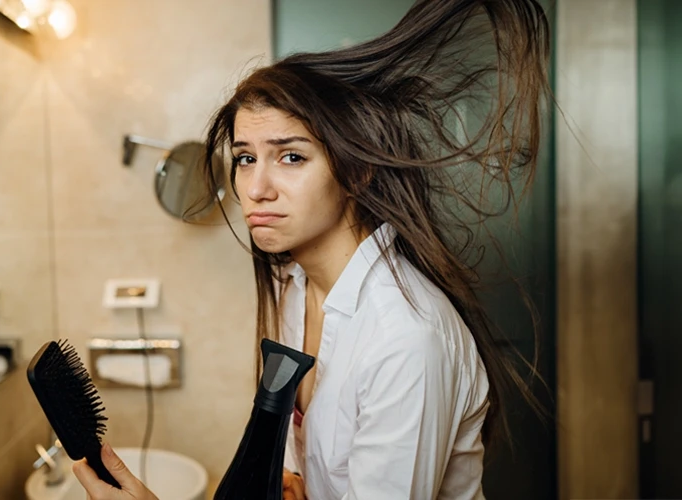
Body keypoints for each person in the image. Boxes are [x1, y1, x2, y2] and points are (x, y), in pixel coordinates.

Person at [73, 0, 552, 498]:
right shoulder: (294, 286)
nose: (256, 187)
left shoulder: (404, 340)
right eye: (244, 158)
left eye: (291, 156)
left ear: (357, 170)